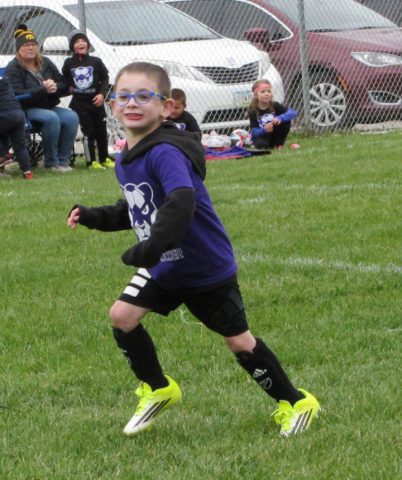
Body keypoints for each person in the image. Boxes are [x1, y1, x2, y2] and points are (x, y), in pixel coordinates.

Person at [67, 62, 320, 438]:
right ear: (112, 104)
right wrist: (94, 217)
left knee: (238, 341)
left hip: (203, 266)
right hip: (164, 265)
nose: (132, 103)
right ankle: (159, 389)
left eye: (144, 96)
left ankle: (296, 402)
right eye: (124, 96)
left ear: (166, 106)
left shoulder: (165, 152)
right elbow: (139, 208)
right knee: (122, 316)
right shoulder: (127, 157)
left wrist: (151, 247)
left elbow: (180, 201)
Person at [6, 24, 79, 172]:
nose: (31, 48)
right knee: (51, 118)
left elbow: (63, 83)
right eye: (26, 45)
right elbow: (16, 94)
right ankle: (51, 162)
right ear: (18, 48)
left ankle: (63, 161)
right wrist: (43, 89)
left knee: (72, 117)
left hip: (47, 106)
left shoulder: (45, 62)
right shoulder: (13, 67)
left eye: (33, 44)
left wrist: (55, 88)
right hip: (25, 109)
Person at [62, 30, 114, 170]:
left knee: (101, 131)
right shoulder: (69, 63)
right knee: (88, 132)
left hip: (96, 103)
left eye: (83, 41)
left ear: (88, 44)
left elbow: (105, 78)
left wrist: (102, 94)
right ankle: (91, 161)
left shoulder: (96, 61)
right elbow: (65, 78)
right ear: (72, 46)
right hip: (80, 104)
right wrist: (69, 87)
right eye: (77, 42)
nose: (81, 43)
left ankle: (104, 158)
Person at [0, 73, 33, 179]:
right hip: (19, 115)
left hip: (5, 115)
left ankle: (3, 155)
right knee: (20, 146)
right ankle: (27, 172)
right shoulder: (4, 80)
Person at [248, 79, 297, 149]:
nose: (267, 94)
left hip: (274, 135)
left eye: (269, 91)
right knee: (262, 146)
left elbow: (293, 113)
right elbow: (253, 132)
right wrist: (264, 129)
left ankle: (279, 144)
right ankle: (265, 145)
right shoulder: (253, 110)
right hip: (262, 136)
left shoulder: (275, 105)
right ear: (256, 95)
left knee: (286, 120)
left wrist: (280, 118)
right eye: (262, 92)